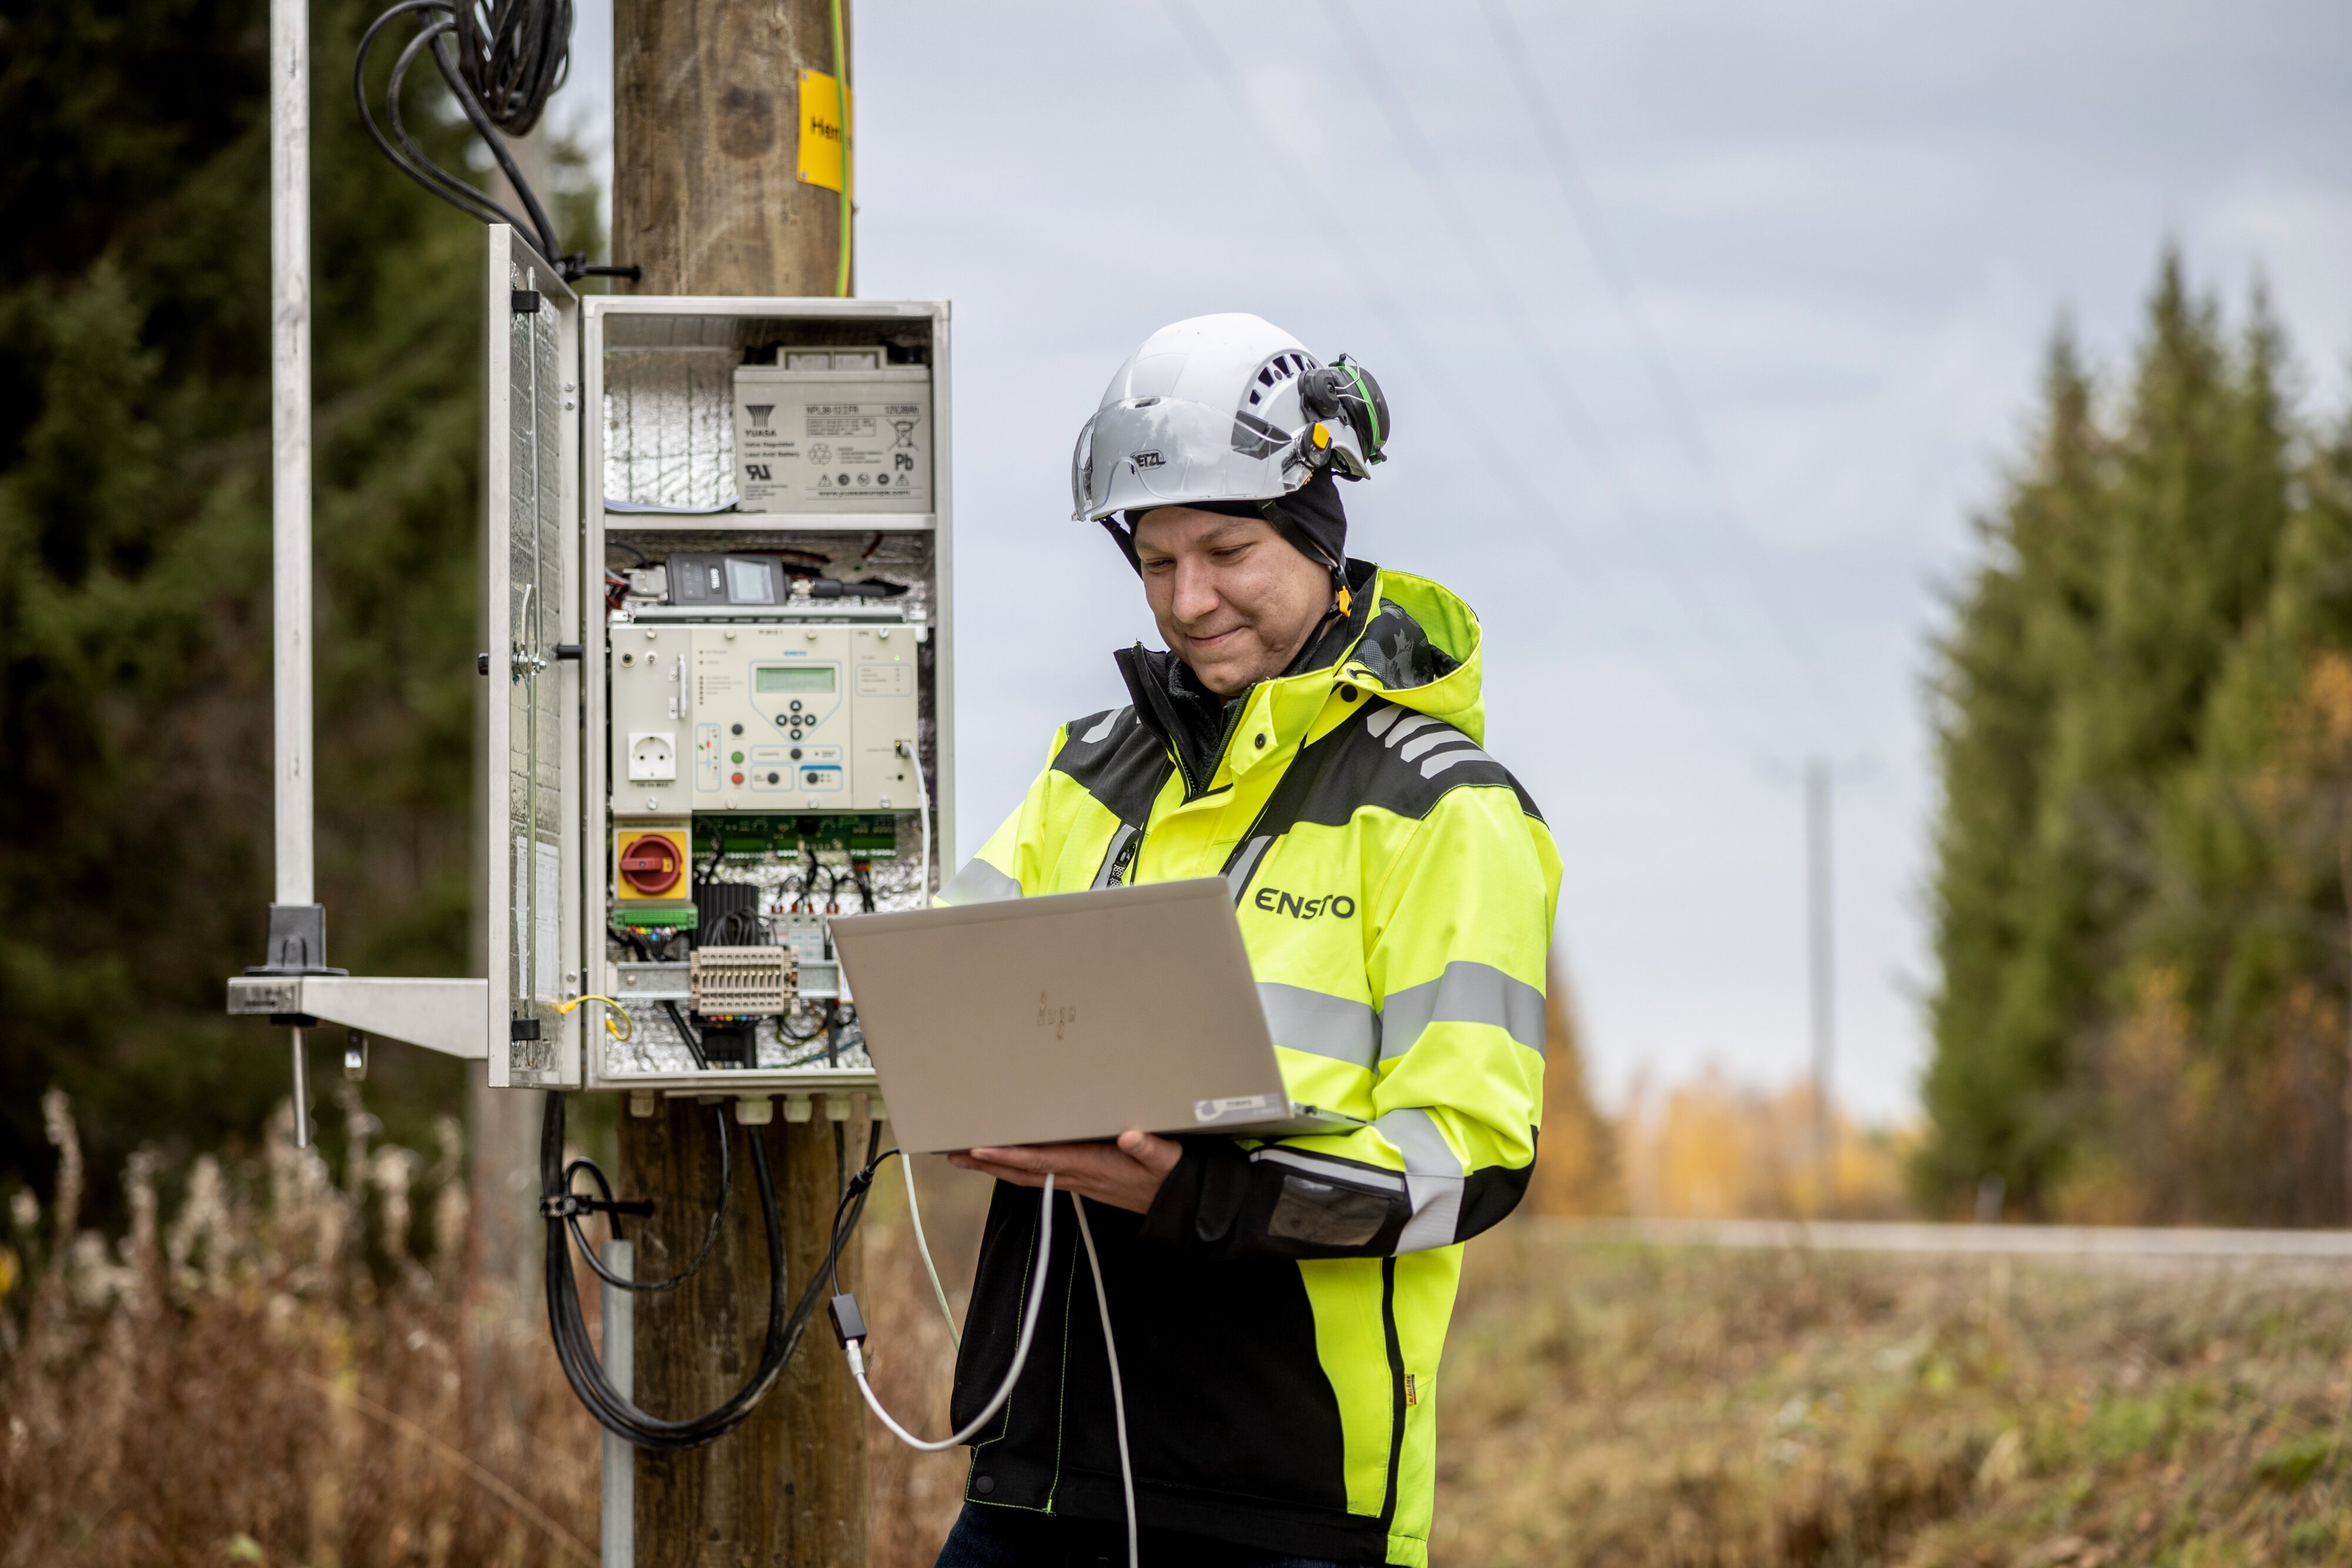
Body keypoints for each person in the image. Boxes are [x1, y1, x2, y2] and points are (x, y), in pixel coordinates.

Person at [930, 313, 1560, 1568]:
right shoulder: (1088, 775)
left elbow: (1471, 1163)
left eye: (1225, 549)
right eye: (1155, 561)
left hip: (1282, 1497)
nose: (1187, 599)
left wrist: (1202, 1192)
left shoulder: (1447, 809)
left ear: (1320, 538)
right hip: (1036, 1478)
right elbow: (948, 993)